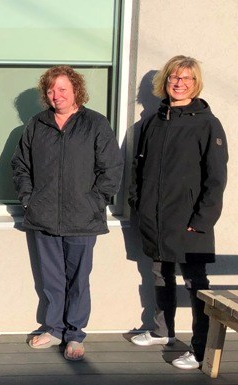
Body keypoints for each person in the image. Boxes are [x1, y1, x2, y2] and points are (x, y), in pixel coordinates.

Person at [11, 66, 122, 361]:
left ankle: (75, 334)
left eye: (62, 89)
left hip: (82, 218)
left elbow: (111, 169)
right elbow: (21, 165)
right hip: (43, 216)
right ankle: (54, 328)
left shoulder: (95, 124)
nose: (55, 95)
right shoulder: (37, 125)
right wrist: (28, 199)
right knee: (50, 278)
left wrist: (96, 201)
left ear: (75, 90)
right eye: (50, 90)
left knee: (78, 278)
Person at [128, 56, 228, 370]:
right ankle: (162, 331)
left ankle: (200, 350)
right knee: (159, 273)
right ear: (166, 82)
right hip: (155, 217)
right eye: (174, 77)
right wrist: (138, 204)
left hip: (189, 222)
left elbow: (216, 178)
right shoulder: (153, 121)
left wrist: (200, 222)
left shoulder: (206, 123)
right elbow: (138, 167)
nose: (179, 82)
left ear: (195, 83)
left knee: (196, 283)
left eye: (186, 78)